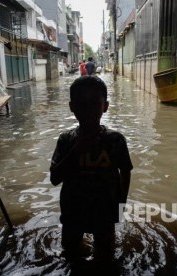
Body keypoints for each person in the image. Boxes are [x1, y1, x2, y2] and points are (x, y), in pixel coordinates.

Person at [50, 76, 133, 263]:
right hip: (73, 211)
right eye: (81, 104)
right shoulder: (66, 140)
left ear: (105, 106)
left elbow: (125, 172)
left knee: (106, 257)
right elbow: (55, 178)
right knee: (71, 254)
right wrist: (76, 151)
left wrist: (121, 206)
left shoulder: (115, 140)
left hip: (104, 211)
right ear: (72, 107)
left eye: (94, 103)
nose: (87, 110)